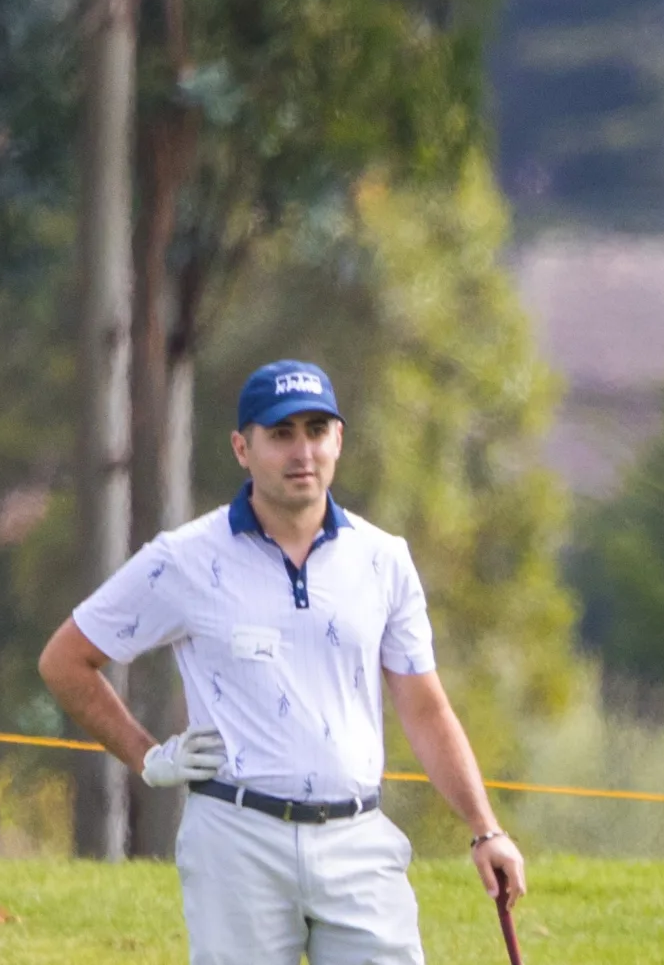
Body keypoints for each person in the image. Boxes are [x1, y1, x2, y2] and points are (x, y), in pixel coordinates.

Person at [38, 359, 524, 964]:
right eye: (281, 434)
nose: (303, 451)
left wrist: (485, 829)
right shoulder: (185, 559)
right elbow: (66, 661)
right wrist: (148, 757)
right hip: (236, 840)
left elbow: (425, 708)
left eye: (317, 430)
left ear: (338, 440)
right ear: (243, 448)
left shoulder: (383, 559)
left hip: (358, 840)